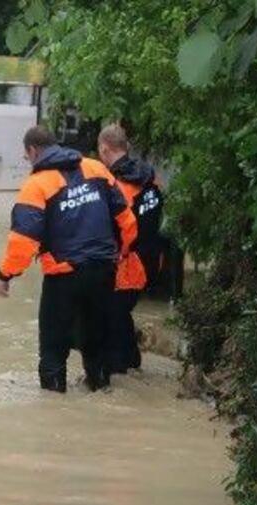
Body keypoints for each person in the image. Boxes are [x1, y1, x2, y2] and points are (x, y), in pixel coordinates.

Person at [0, 126, 137, 393]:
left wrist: (5, 275)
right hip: (103, 271)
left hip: (63, 277)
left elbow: (23, 242)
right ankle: (99, 390)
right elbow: (126, 220)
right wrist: (121, 253)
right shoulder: (96, 169)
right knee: (96, 343)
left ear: (33, 151)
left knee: (52, 348)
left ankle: (52, 411)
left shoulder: (36, 185)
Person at [97, 124, 164, 372]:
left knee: (110, 316)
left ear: (104, 149)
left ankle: (117, 371)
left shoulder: (119, 185)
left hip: (129, 264)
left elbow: (123, 229)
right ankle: (132, 363)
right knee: (120, 313)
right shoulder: (151, 177)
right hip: (153, 258)